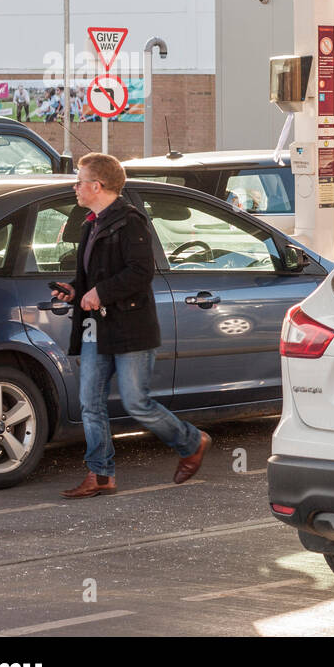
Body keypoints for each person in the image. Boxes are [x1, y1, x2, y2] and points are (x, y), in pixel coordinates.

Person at [53, 153, 211, 498]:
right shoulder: (89, 223)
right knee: (90, 403)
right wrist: (76, 290)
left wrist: (100, 293)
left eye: (79, 181)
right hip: (97, 327)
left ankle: (191, 440)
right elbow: (94, 276)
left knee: (136, 402)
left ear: (98, 186)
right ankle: (101, 474)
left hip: (130, 328)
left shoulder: (131, 221)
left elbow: (141, 272)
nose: (75, 187)